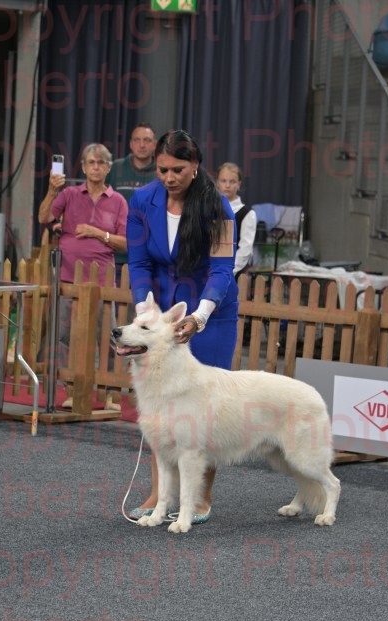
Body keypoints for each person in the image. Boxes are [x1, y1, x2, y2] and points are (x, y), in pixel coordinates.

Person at [126, 129, 239, 523]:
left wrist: (200, 316)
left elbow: (222, 268)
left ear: (195, 166)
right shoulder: (142, 200)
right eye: (162, 170)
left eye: (177, 170)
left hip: (211, 312)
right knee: (159, 409)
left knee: (203, 410)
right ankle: (160, 495)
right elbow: (139, 262)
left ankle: (200, 498)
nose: (169, 177)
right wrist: (145, 308)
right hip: (161, 313)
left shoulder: (219, 207)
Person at [38, 143, 128, 385]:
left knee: (108, 338)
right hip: (68, 278)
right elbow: (44, 217)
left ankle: (109, 388)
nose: (96, 167)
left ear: (108, 168)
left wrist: (97, 233)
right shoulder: (69, 194)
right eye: (91, 163)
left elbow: (126, 243)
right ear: (84, 168)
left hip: (102, 282)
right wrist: (51, 190)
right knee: (62, 335)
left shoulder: (118, 201)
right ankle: (61, 387)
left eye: (101, 163)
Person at [106, 123, 157, 284]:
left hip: (150, 258)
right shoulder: (116, 168)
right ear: (130, 144)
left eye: (147, 140)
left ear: (155, 144)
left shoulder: (162, 171)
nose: (142, 145)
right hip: (116, 257)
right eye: (137, 140)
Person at [216, 161, 256, 276]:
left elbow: (245, 250)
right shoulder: (209, 209)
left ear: (238, 184)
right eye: (223, 181)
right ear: (217, 183)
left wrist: (227, 271)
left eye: (232, 181)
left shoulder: (247, 214)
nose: (227, 185)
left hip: (233, 273)